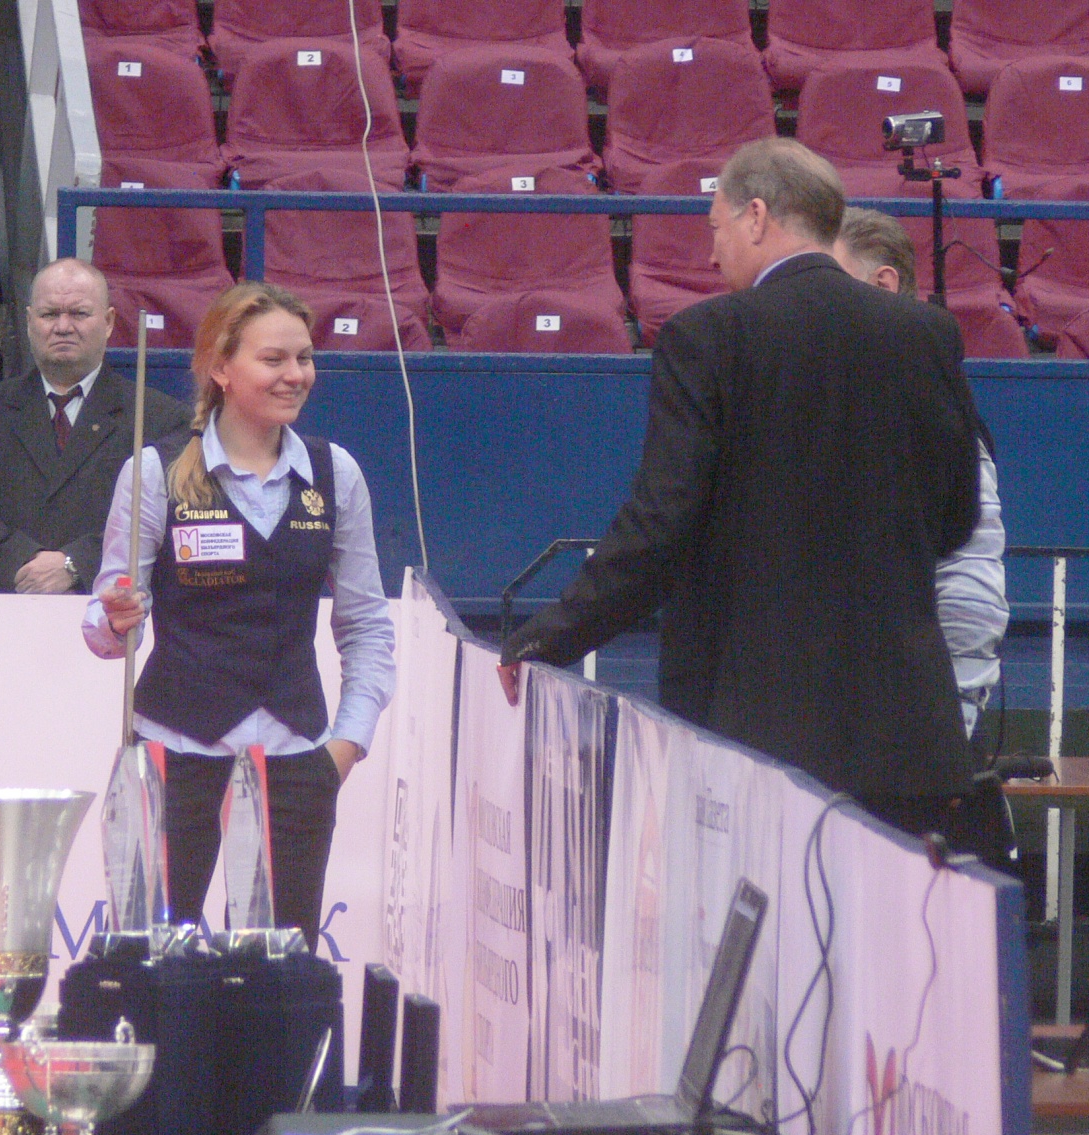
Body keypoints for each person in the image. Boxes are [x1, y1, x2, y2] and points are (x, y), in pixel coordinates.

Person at [499, 138, 987, 853]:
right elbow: (957, 519)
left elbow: (659, 529)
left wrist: (547, 638)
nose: (710, 254)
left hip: (756, 740)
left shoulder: (707, 337)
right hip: (905, 740)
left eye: (716, 227)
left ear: (756, 216)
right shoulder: (927, 333)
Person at [82, 281, 396, 947]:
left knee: (276, 975)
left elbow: (366, 623)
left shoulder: (335, 473)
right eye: (273, 359)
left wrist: (345, 746)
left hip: (296, 757)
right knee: (153, 963)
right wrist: (114, 619)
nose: (295, 375)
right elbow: (105, 628)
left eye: (304, 358)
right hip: (172, 753)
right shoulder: (154, 471)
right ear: (220, 368)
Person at [832, 207, 1009, 745]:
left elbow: (970, 590)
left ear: (883, 284)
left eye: (829, 278)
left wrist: (952, 722)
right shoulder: (818, 402)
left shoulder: (941, 416)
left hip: (919, 733)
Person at [0, 257, 190, 592]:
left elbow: (170, 518)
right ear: (29, 322)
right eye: (49, 314)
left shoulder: (161, 419)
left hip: (111, 606)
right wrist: (25, 563)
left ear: (109, 322)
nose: (63, 326)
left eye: (79, 313)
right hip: (6, 603)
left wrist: (76, 564)